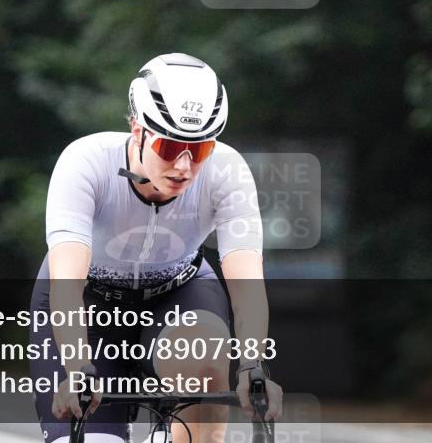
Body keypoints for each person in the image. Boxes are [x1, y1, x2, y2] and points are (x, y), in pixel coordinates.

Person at [29, 53, 283, 443]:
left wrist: (252, 365)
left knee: (205, 366)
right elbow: (67, 283)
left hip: (179, 292)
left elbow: (247, 284)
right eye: (169, 147)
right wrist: (78, 365)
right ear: (137, 130)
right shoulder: (85, 163)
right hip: (89, 302)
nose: (184, 166)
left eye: (199, 151)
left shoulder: (228, 172)